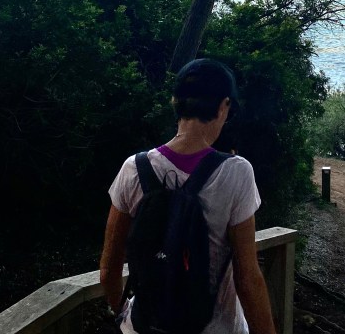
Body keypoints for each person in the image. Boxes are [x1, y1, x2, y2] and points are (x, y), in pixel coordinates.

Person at [99, 59, 277, 334]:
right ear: (223, 106)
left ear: (174, 102)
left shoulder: (133, 168)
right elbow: (247, 278)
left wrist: (122, 312)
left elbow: (109, 267)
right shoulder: (236, 172)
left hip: (144, 326)